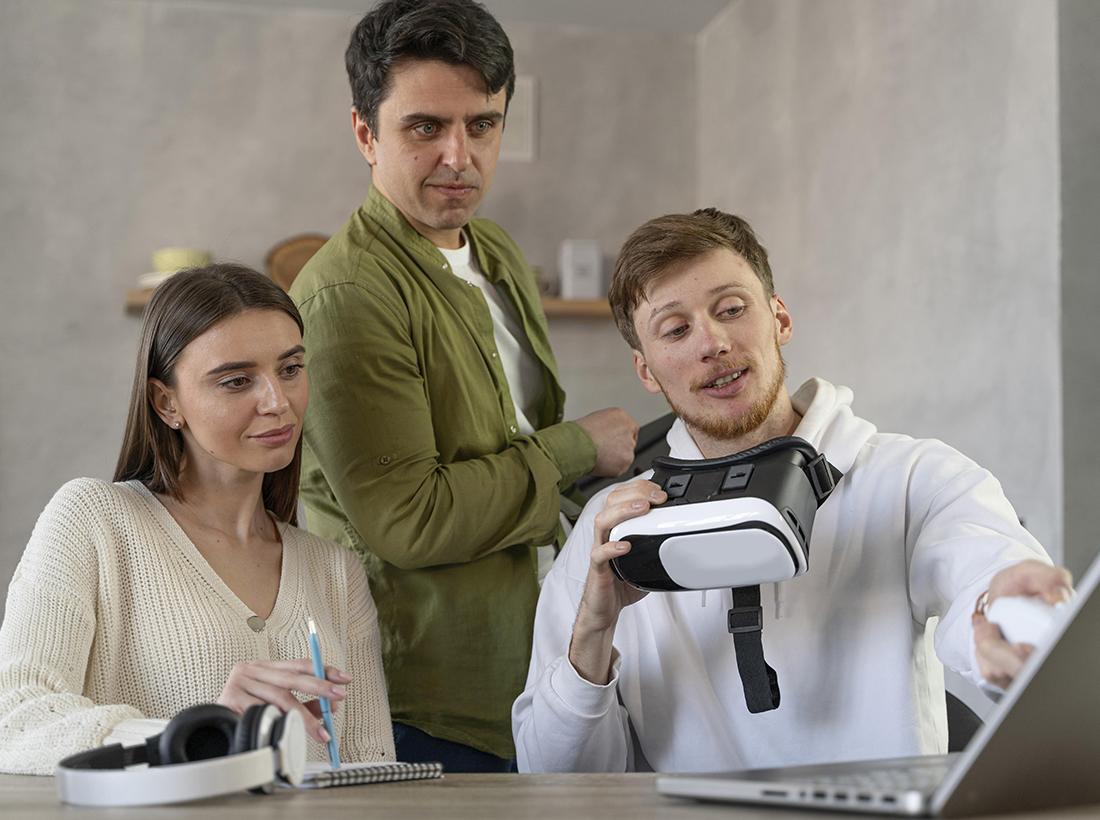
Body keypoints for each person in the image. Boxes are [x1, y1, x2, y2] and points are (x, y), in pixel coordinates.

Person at [512, 208, 1074, 773]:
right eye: (676, 330)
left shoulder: (911, 477)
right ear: (646, 370)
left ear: (779, 319)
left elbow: (986, 574)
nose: (713, 342)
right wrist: (593, 634)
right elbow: (552, 778)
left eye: (732, 309)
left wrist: (1007, 613)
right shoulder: (614, 528)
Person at [289, 0, 638, 771]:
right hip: (432, 701)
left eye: (482, 125)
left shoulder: (497, 251)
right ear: (365, 133)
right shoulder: (347, 295)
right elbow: (409, 520)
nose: (460, 156)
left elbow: (518, 442)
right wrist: (579, 446)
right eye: (425, 128)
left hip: (542, 659)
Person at [0, 265, 395, 775]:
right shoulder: (93, 521)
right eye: (236, 381)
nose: (278, 402)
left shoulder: (335, 572)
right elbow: (16, 721)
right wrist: (197, 736)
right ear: (166, 403)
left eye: (291, 369)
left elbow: (371, 771)